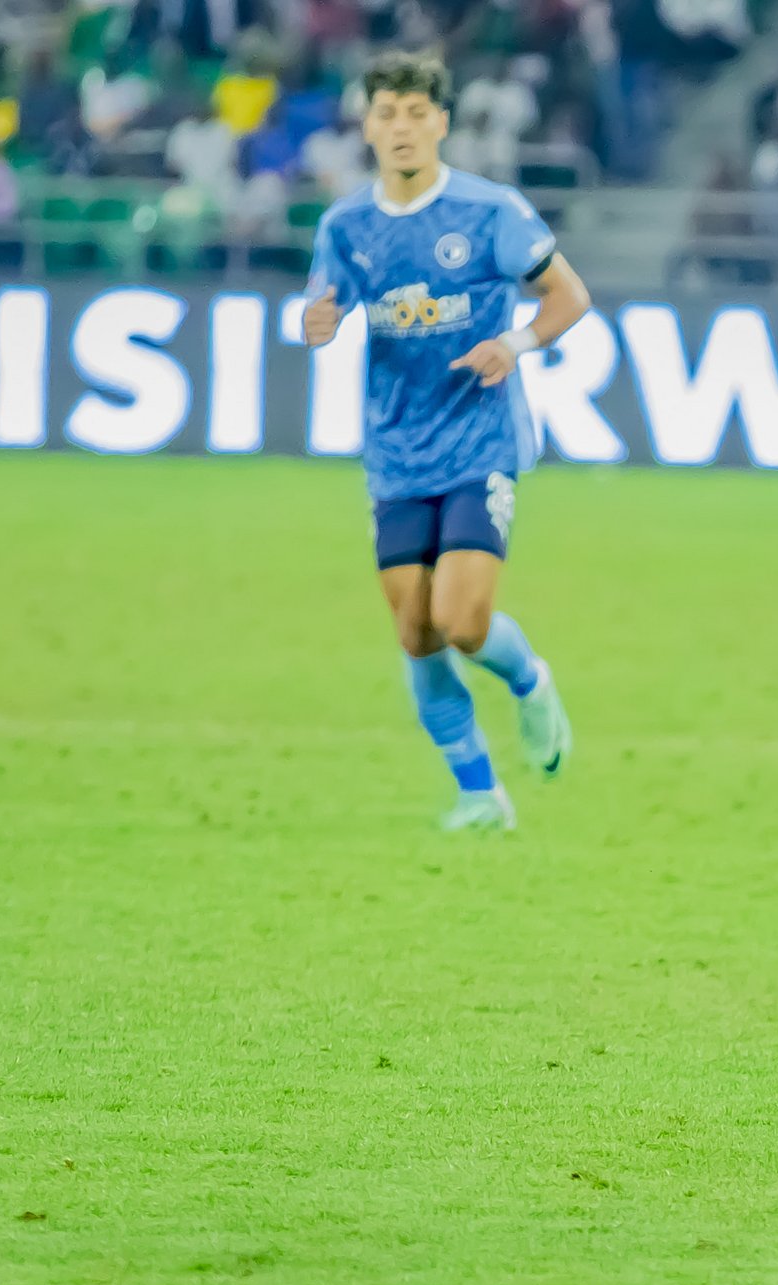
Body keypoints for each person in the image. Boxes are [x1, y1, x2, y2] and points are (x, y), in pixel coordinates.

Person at [302, 52, 587, 832]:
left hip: (478, 442)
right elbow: (323, 303)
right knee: (417, 631)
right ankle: (479, 794)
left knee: (462, 621)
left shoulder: (490, 211)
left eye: (416, 114)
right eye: (386, 114)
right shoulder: (345, 225)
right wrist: (317, 321)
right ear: (367, 127)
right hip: (395, 452)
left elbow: (568, 295)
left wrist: (516, 343)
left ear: (442, 124)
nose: (401, 128)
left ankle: (529, 681)